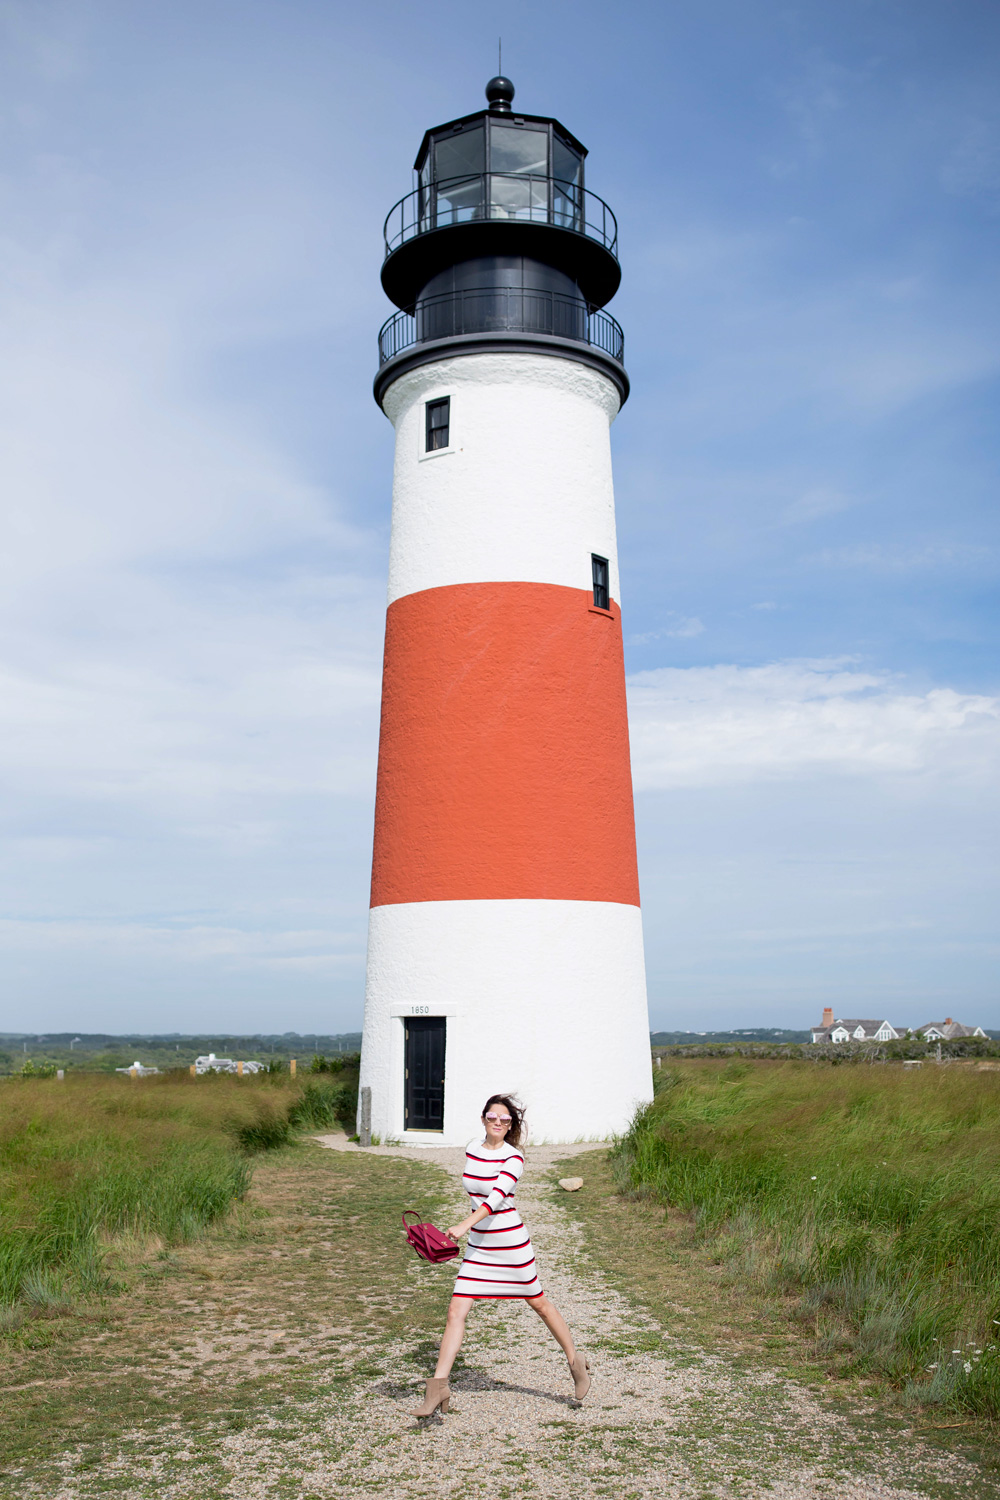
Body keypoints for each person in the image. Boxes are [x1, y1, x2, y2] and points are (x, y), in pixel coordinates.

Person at [413, 1093, 591, 1418]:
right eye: (493, 1117)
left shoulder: (514, 1158)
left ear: (511, 1125)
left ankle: (575, 1361)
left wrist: (463, 1225)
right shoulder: (471, 1147)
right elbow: (473, 1188)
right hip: (480, 1246)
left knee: (539, 1303)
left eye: (505, 1119)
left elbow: (496, 1198)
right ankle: (438, 1388)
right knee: (456, 1310)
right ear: (483, 1118)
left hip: (510, 1243)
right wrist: (468, 1228)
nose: (498, 1123)